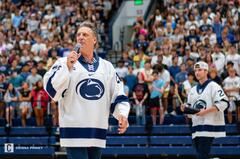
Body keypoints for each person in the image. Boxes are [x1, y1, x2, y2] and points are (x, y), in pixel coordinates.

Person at [43, 21, 130, 159]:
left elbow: (118, 93)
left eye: (85, 34)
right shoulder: (64, 62)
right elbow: (52, 91)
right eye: (78, 34)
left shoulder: (106, 66)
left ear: (94, 40)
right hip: (73, 130)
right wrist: (67, 67)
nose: (80, 37)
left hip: (97, 130)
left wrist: (122, 115)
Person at [180, 61, 229, 159]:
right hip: (196, 127)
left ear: (206, 71)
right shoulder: (192, 90)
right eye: (196, 70)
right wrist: (185, 108)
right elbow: (190, 114)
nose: (197, 73)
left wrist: (205, 111)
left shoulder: (213, 86)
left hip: (208, 126)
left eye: (200, 70)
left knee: (201, 156)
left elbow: (224, 103)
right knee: (201, 156)